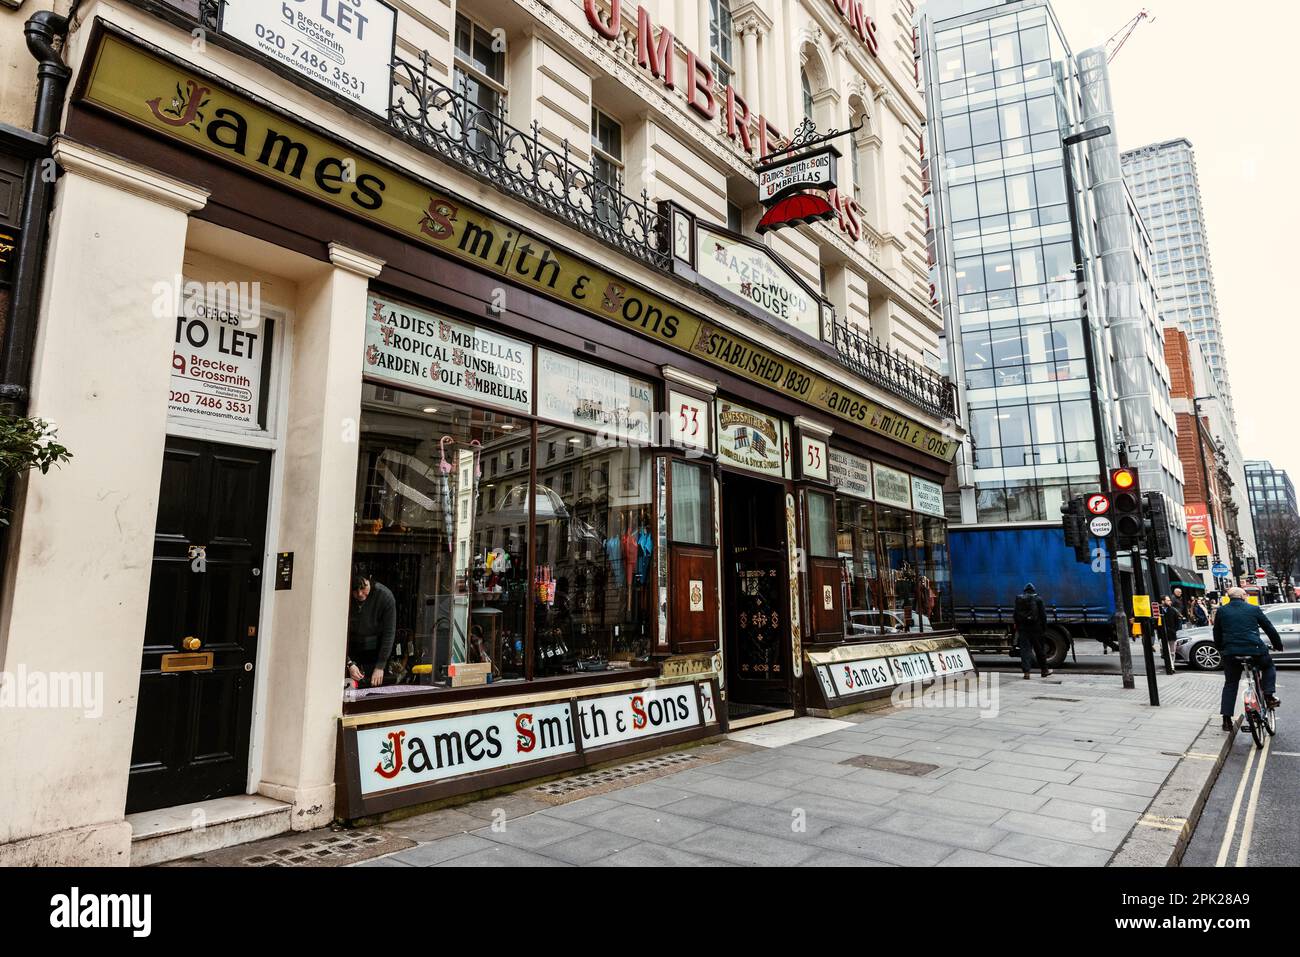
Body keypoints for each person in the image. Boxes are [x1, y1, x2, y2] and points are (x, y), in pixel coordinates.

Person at [1213, 586, 1283, 732]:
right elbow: (1269, 628)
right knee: (1268, 666)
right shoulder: (1253, 609)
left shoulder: (1221, 611)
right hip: (1254, 651)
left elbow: (1217, 632)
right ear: (1243, 596)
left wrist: (1221, 648)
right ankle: (1269, 696)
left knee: (1231, 684)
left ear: (1229, 597)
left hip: (1231, 654)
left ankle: (1226, 720)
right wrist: (1277, 644)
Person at [347, 574, 397, 688]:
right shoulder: (344, 593)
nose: (359, 593)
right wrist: (349, 663)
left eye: (363, 588)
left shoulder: (385, 596)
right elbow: (336, 633)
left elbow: (389, 633)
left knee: (374, 686)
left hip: (375, 649)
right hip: (350, 647)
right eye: (355, 590)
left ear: (370, 580)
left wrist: (380, 666)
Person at [1012, 582, 1051, 679]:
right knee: (1039, 650)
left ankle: (1026, 673)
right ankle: (1044, 671)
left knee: (1025, 651)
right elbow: (1043, 616)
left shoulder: (1019, 599)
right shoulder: (1038, 599)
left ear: (1024, 590)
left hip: (1023, 629)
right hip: (1036, 629)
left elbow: (1015, 614)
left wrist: (1018, 625)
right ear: (1034, 590)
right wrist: (1044, 629)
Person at [1158, 595, 1182, 668]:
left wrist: (1174, 630)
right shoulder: (1158, 610)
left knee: (1172, 652)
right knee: (1165, 651)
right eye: (1168, 600)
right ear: (1163, 601)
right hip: (1162, 635)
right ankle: (1168, 665)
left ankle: (1172, 666)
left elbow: (1178, 621)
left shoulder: (1172, 610)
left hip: (1172, 634)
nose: (1170, 602)